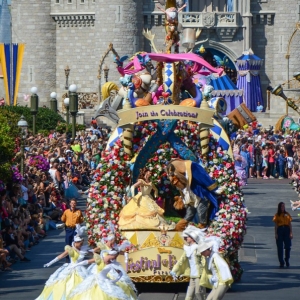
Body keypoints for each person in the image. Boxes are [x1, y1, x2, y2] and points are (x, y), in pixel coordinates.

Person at [166, 159, 223, 230]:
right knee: (189, 212)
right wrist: (181, 198)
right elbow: (184, 190)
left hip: (201, 195)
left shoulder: (193, 167)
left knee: (201, 209)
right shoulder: (181, 179)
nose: (176, 184)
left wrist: (214, 188)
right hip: (191, 199)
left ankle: (202, 226)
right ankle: (180, 226)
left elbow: (203, 177)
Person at [68, 249, 138, 300]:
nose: (114, 259)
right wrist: (76, 265)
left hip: (106, 282)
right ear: (111, 255)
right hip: (96, 281)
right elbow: (87, 262)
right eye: (114, 257)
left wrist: (114, 281)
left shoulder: (112, 264)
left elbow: (120, 273)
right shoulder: (100, 259)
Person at [36, 235, 88, 300]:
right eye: (80, 243)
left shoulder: (83, 249)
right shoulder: (70, 249)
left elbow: (93, 252)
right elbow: (60, 257)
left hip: (81, 269)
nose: (81, 245)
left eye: (82, 243)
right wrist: (50, 263)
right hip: (71, 268)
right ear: (76, 242)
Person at [170, 226, 206, 300]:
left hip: (199, 275)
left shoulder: (198, 248)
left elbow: (204, 260)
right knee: (189, 296)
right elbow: (181, 260)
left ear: (192, 238)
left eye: (187, 237)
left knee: (199, 293)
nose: (185, 239)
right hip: (192, 275)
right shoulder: (187, 249)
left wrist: (206, 273)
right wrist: (174, 270)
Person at [273, 202, 292, 268]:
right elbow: (276, 225)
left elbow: (290, 224)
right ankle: (281, 261)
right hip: (280, 230)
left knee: (288, 246)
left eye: (283, 206)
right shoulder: (277, 215)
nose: (282, 208)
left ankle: (287, 259)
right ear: (279, 207)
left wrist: (291, 233)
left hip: (286, 230)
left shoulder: (287, 214)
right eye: (281, 206)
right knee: (280, 247)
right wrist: (276, 234)